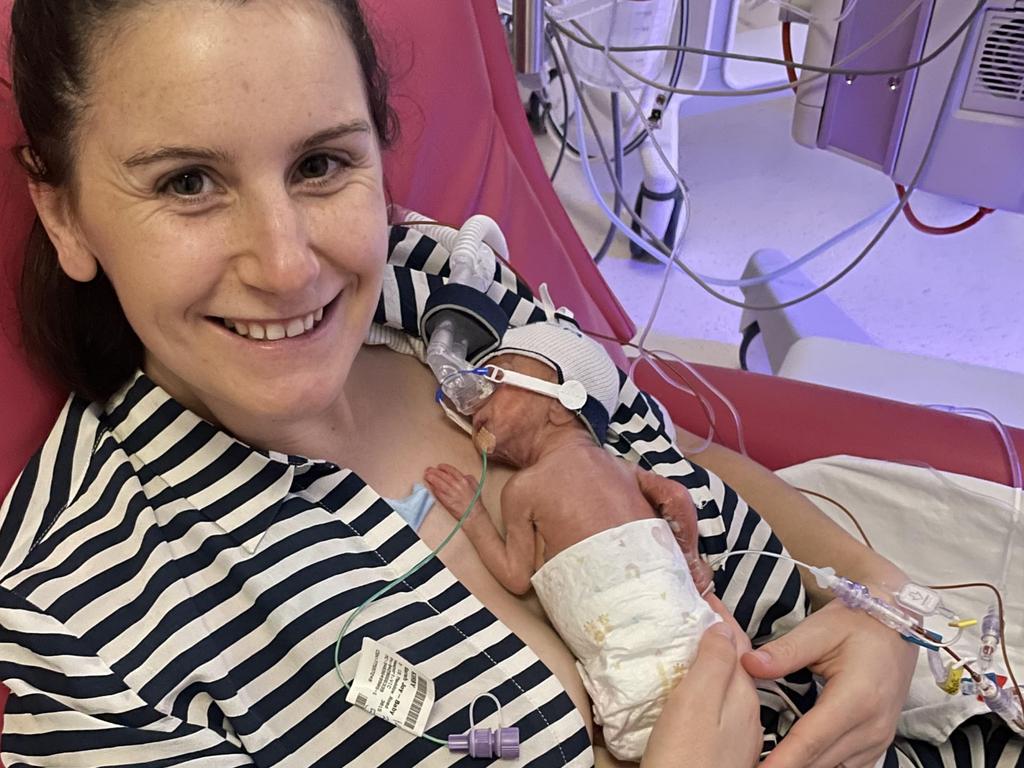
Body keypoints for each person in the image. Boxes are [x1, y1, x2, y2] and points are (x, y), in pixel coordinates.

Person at [4, 0, 1014, 766]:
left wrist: (883, 605)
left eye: (320, 164)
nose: (285, 263)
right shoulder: (85, 633)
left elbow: (686, 456)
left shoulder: (456, 296)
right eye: (187, 183)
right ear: (66, 215)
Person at [424, 322, 744, 763]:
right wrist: (690, 560)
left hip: (634, 687)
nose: (475, 399)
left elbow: (517, 576)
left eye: (495, 379)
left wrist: (472, 514)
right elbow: (675, 497)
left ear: (563, 401)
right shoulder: (616, 468)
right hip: (706, 650)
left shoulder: (525, 489)